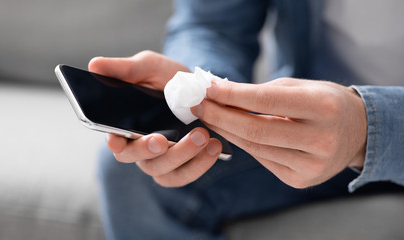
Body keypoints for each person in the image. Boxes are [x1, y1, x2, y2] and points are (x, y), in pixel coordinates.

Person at [89, 0, 404, 239]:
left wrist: (371, 128)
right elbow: (212, 23)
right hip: (308, 126)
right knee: (134, 171)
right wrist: (198, 84)